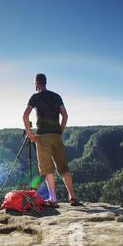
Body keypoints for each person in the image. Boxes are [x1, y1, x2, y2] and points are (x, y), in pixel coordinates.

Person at [23, 73, 79, 207]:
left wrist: (29, 133)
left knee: (47, 169)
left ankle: (53, 199)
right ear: (46, 82)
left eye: (34, 83)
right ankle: (72, 196)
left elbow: (25, 115)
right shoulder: (56, 96)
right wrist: (60, 130)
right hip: (56, 135)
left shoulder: (35, 97)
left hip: (43, 136)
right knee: (63, 167)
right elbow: (65, 115)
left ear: (37, 83)